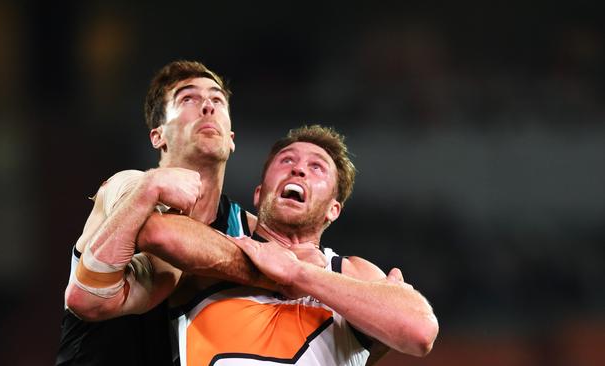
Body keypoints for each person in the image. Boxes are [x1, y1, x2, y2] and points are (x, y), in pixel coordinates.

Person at [68, 125, 439, 365]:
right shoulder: (214, 252)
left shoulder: (350, 272)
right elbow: (158, 233)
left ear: (333, 210)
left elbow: (420, 331)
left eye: (317, 168)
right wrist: (266, 271)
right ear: (259, 194)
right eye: (287, 161)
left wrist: (298, 273)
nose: (298, 169)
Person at [56, 60, 275, 365]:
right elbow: (155, 229)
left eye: (217, 99)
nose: (207, 107)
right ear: (157, 136)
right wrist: (150, 187)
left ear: (231, 139)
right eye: (188, 98)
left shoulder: (248, 228)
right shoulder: (128, 186)